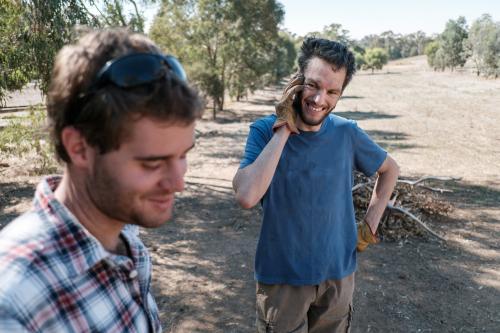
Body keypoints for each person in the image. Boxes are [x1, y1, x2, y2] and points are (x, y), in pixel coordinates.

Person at [0, 29, 203, 332]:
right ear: (79, 148)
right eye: (152, 163)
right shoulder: (15, 304)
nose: (178, 184)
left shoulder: (124, 236)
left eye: (183, 155)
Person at [233, 37, 399, 332]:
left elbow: (390, 170)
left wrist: (370, 227)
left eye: (332, 91)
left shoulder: (347, 133)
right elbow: (246, 196)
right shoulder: (264, 131)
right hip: (282, 279)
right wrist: (284, 128)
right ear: (297, 81)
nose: (320, 99)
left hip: (338, 277)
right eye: (313, 85)